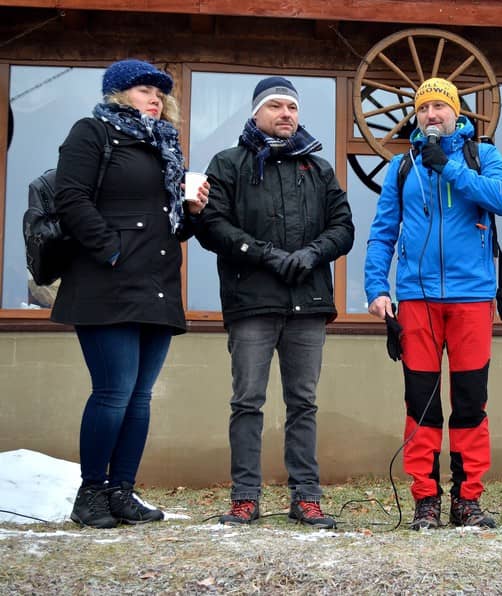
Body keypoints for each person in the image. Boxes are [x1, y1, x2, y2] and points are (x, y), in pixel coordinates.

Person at [52, 59, 209, 528]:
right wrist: (112, 250)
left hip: (157, 284)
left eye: (161, 93)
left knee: (139, 397)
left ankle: (121, 491)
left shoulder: (165, 147)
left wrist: (192, 211)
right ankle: (91, 494)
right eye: (144, 90)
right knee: (113, 392)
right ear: (118, 94)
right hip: (107, 281)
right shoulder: (92, 132)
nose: (156, 98)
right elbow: (71, 197)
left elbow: (174, 228)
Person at [196, 77, 354, 527]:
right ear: (256, 113)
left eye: (292, 107)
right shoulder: (228, 163)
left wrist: (312, 254)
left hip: (309, 301)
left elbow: (343, 227)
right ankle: (245, 498)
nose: (286, 114)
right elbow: (212, 226)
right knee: (247, 402)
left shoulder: (318, 168)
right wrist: (265, 254)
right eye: (276, 106)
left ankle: (306, 498)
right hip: (251, 303)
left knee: (303, 403)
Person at [365, 78, 502, 529]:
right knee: (421, 404)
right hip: (417, 299)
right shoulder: (402, 166)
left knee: (470, 402)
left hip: (472, 298)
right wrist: (376, 288)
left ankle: (467, 500)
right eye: (424, 108)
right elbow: (382, 232)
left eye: (440, 106)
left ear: (456, 112)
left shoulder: (482, 155)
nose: (432, 114)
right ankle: (425, 499)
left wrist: (450, 168)